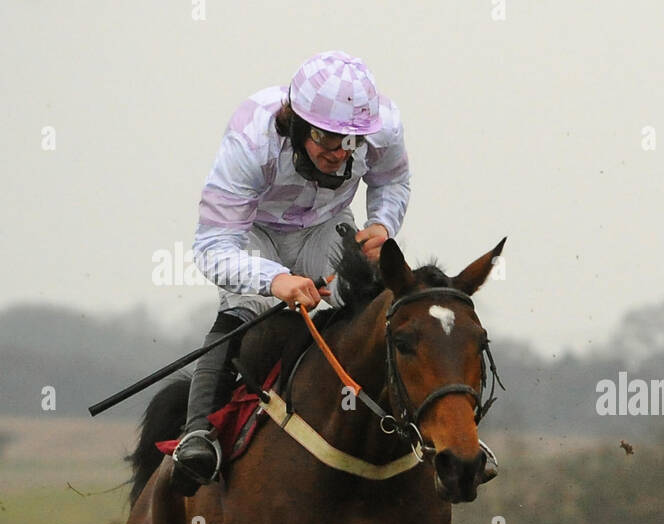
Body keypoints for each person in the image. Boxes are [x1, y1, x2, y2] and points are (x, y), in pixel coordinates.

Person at [173, 50, 497, 493]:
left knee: (373, 301)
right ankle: (198, 435)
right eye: (326, 139)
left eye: (350, 142)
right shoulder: (251, 140)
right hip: (253, 232)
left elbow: (392, 181)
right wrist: (275, 280)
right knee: (246, 307)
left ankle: (446, 433)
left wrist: (382, 223)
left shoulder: (383, 127)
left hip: (326, 225)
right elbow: (212, 245)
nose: (339, 154)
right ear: (298, 124)